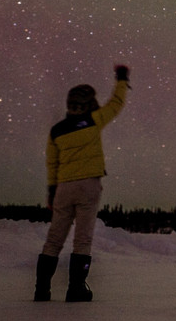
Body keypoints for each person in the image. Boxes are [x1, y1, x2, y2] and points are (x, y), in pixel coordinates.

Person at [33, 64, 130, 302]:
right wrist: (122, 80)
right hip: (88, 186)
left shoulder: (56, 131)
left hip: (63, 188)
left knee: (54, 239)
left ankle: (42, 289)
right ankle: (76, 287)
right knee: (83, 238)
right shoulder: (93, 121)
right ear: (88, 103)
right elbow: (116, 104)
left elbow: (52, 165)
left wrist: (51, 193)